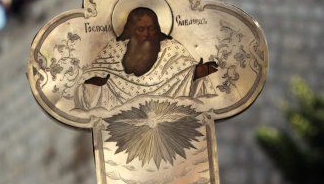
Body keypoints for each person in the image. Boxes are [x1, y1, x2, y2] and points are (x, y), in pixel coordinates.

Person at [73, 7, 217, 111]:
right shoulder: (115, 49)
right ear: (130, 30)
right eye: (141, 29)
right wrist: (94, 81)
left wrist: (199, 71)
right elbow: (90, 75)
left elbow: (186, 72)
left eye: (152, 28)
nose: (147, 34)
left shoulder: (171, 47)